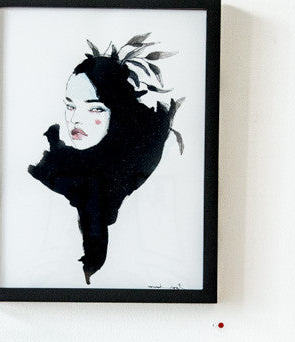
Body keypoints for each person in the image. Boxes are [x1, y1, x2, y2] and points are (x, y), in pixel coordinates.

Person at [28, 36, 183, 284]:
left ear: (118, 112)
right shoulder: (52, 167)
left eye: (95, 108)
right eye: (70, 106)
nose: (75, 119)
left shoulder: (137, 174)